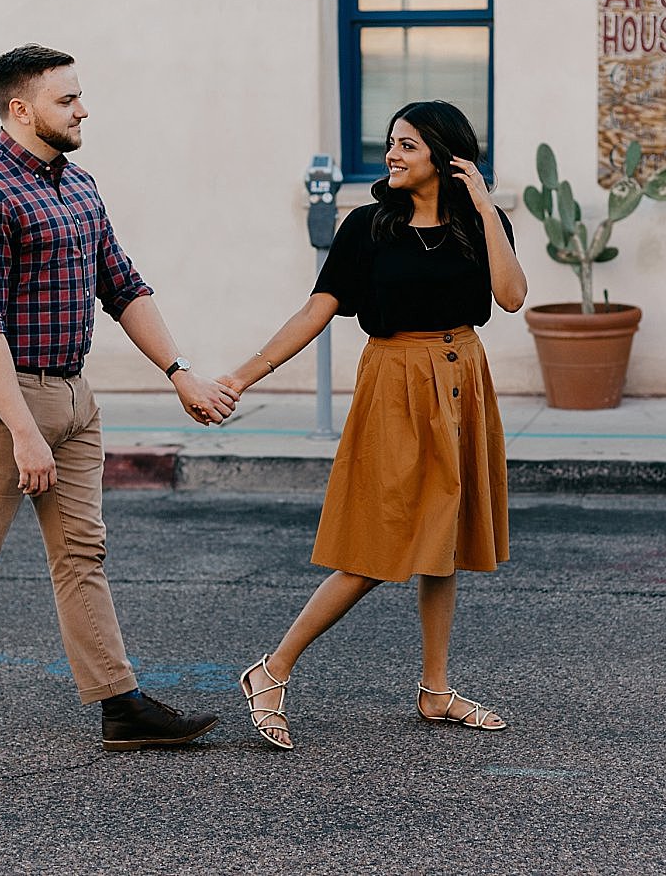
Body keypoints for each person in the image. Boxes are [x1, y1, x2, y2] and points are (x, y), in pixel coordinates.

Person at [0, 44, 239, 756]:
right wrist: (22, 430)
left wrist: (180, 372)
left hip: (73, 395)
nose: (82, 109)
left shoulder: (78, 187)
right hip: (3, 397)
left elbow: (124, 287)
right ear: (21, 108)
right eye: (66, 99)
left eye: (80, 96)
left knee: (82, 552)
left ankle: (119, 703)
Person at [224, 100, 527, 750]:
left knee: (443, 542)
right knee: (377, 546)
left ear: (445, 158)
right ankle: (271, 669)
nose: (392, 154)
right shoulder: (367, 227)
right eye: (391, 143)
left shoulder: (482, 223)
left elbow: (511, 296)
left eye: (408, 145)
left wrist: (484, 208)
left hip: (461, 375)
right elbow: (317, 309)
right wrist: (243, 376)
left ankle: (436, 688)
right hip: (395, 382)